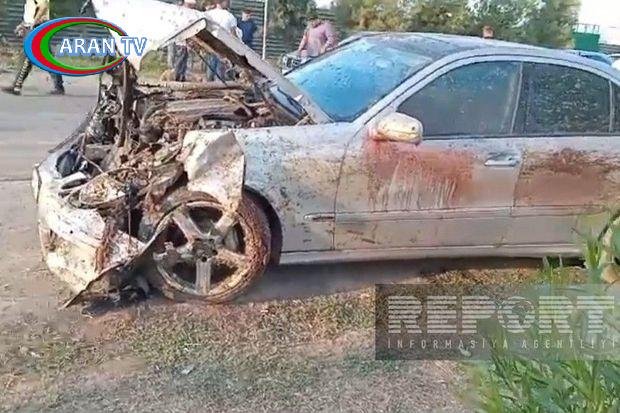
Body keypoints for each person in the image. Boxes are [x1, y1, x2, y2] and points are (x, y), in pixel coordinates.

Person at [3, 0, 64, 95]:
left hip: (37, 26)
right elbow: (32, 11)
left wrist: (33, 24)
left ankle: (17, 86)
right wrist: (23, 24)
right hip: (38, 26)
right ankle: (59, 86)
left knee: (29, 56)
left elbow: (43, 6)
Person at [205, 0, 237, 81]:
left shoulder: (209, 14)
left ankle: (209, 84)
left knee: (211, 66)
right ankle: (219, 84)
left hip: (211, 44)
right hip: (223, 45)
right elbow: (233, 34)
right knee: (220, 69)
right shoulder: (230, 16)